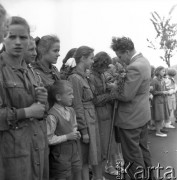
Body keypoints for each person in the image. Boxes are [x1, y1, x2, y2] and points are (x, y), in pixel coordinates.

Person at [0, 16, 48, 180]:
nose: (18, 42)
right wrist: (27, 112)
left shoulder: (31, 72)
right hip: (11, 156)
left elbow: (41, 113)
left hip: (36, 150)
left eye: (23, 37)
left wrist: (43, 102)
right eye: (12, 36)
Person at [110, 37, 154, 179]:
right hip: (141, 116)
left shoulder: (134, 67)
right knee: (143, 150)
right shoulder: (144, 61)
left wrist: (113, 88)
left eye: (120, 55)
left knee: (132, 156)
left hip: (131, 119)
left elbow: (126, 95)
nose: (120, 59)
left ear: (127, 51)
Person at [68, 46, 103, 180]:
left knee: (93, 154)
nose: (93, 61)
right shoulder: (75, 78)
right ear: (82, 58)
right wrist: (84, 130)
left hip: (92, 118)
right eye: (91, 58)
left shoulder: (85, 76)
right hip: (86, 121)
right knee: (85, 157)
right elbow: (77, 105)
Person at [89, 51, 120, 176]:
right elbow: (95, 100)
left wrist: (110, 88)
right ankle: (99, 173)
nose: (107, 69)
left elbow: (102, 92)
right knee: (101, 144)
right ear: (100, 64)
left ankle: (109, 165)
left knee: (108, 142)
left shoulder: (101, 74)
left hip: (106, 112)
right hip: (99, 114)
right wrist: (111, 95)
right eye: (105, 65)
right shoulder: (91, 76)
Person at [47, 80, 81, 180]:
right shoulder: (52, 116)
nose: (73, 97)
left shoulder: (71, 110)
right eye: (70, 94)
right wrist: (67, 137)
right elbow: (48, 139)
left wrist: (75, 133)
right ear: (58, 97)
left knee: (75, 174)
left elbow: (74, 126)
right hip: (60, 159)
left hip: (74, 155)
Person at [151, 66, 173, 137]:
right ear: (158, 71)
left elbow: (165, 89)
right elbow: (153, 92)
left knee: (162, 115)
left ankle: (159, 129)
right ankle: (158, 132)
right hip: (157, 101)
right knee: (158, 116)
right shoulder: (154, 80)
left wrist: (169, 91)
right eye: (163, 71)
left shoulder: (163, 80)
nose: (164, 72)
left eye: (164, 71)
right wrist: (163, 92)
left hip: (163, 100)